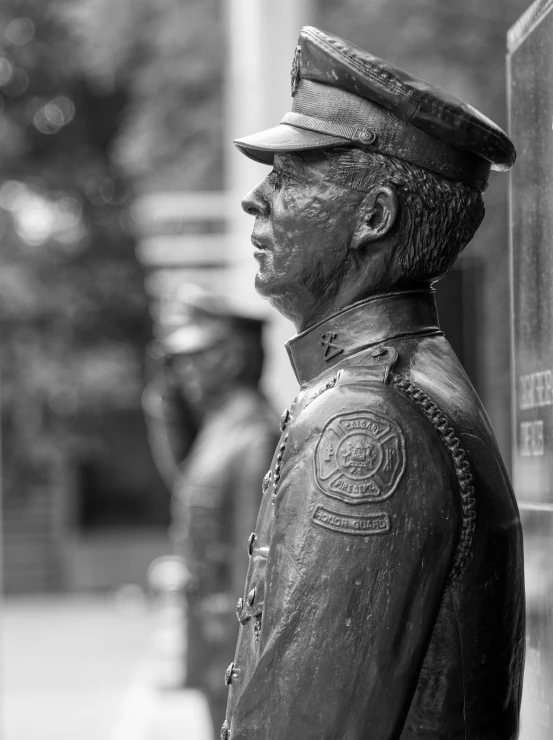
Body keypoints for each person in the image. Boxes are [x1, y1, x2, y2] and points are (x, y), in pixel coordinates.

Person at [221, 27, 525, 740]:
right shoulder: (393, 382)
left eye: (290, 175)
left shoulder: (365, 420)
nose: (255, 199)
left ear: (373, 216)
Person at [159, 287, 278, 734]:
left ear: (230, 359)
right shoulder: (217, 427)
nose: (181, 370)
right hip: (211, 630)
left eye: (196, 357)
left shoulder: (253, 434)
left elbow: (256, 559)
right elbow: (182, 479)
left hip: (232, 638)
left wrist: (242, 650)